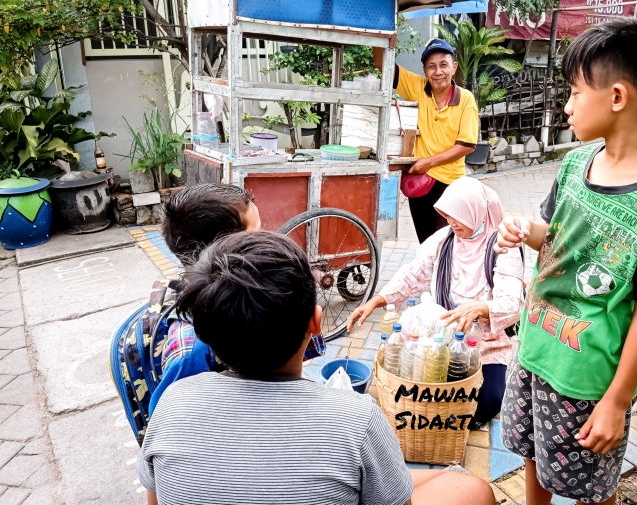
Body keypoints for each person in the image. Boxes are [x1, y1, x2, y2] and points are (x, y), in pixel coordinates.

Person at [139, 231, 496, 505]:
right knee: (473, 489)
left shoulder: (173, 401)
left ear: (206, 333)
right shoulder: (357, 419)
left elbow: (156, 497)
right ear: (316, 322)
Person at [495, 17, 637, 505]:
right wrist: (525, 230)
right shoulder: (573, 164)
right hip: (535, 348)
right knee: (532, 455)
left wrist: (616, 404)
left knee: (592, 488)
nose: (566, 105)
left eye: (575, 92)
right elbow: (553, 240)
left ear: (617, 97)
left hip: (588, 383)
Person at [348, 177, 523, 427]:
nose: (451, 222)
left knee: (489, 401)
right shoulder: (444, 239)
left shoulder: (502, 247)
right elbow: (413, 274)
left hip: (484, 341)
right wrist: (376, 301)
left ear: (477, 212)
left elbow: (512, 303)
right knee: (420, 376)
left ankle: (449, 422)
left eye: (459, 215)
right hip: (441, 333)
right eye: (448, 214)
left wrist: (481, 308)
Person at [147, 184, 262, 416]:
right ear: (222, 252)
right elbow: (170, 424)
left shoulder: (238, 295)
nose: (267, 239)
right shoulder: (190, 353)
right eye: (256, 234)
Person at [374, 40, 479, 243]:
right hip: (419, 184)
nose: (437, 71)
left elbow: (466, 145)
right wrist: (383, 29)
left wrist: (429, 162)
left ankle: (446, 276)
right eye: (431, 66)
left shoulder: (465, 99)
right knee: (427, 245)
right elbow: (381, 63)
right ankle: (432, 276)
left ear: (454, 67)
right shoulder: (417, 87)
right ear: (424, 70)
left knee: (447, 245)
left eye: (443, 65)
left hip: (449, 185)